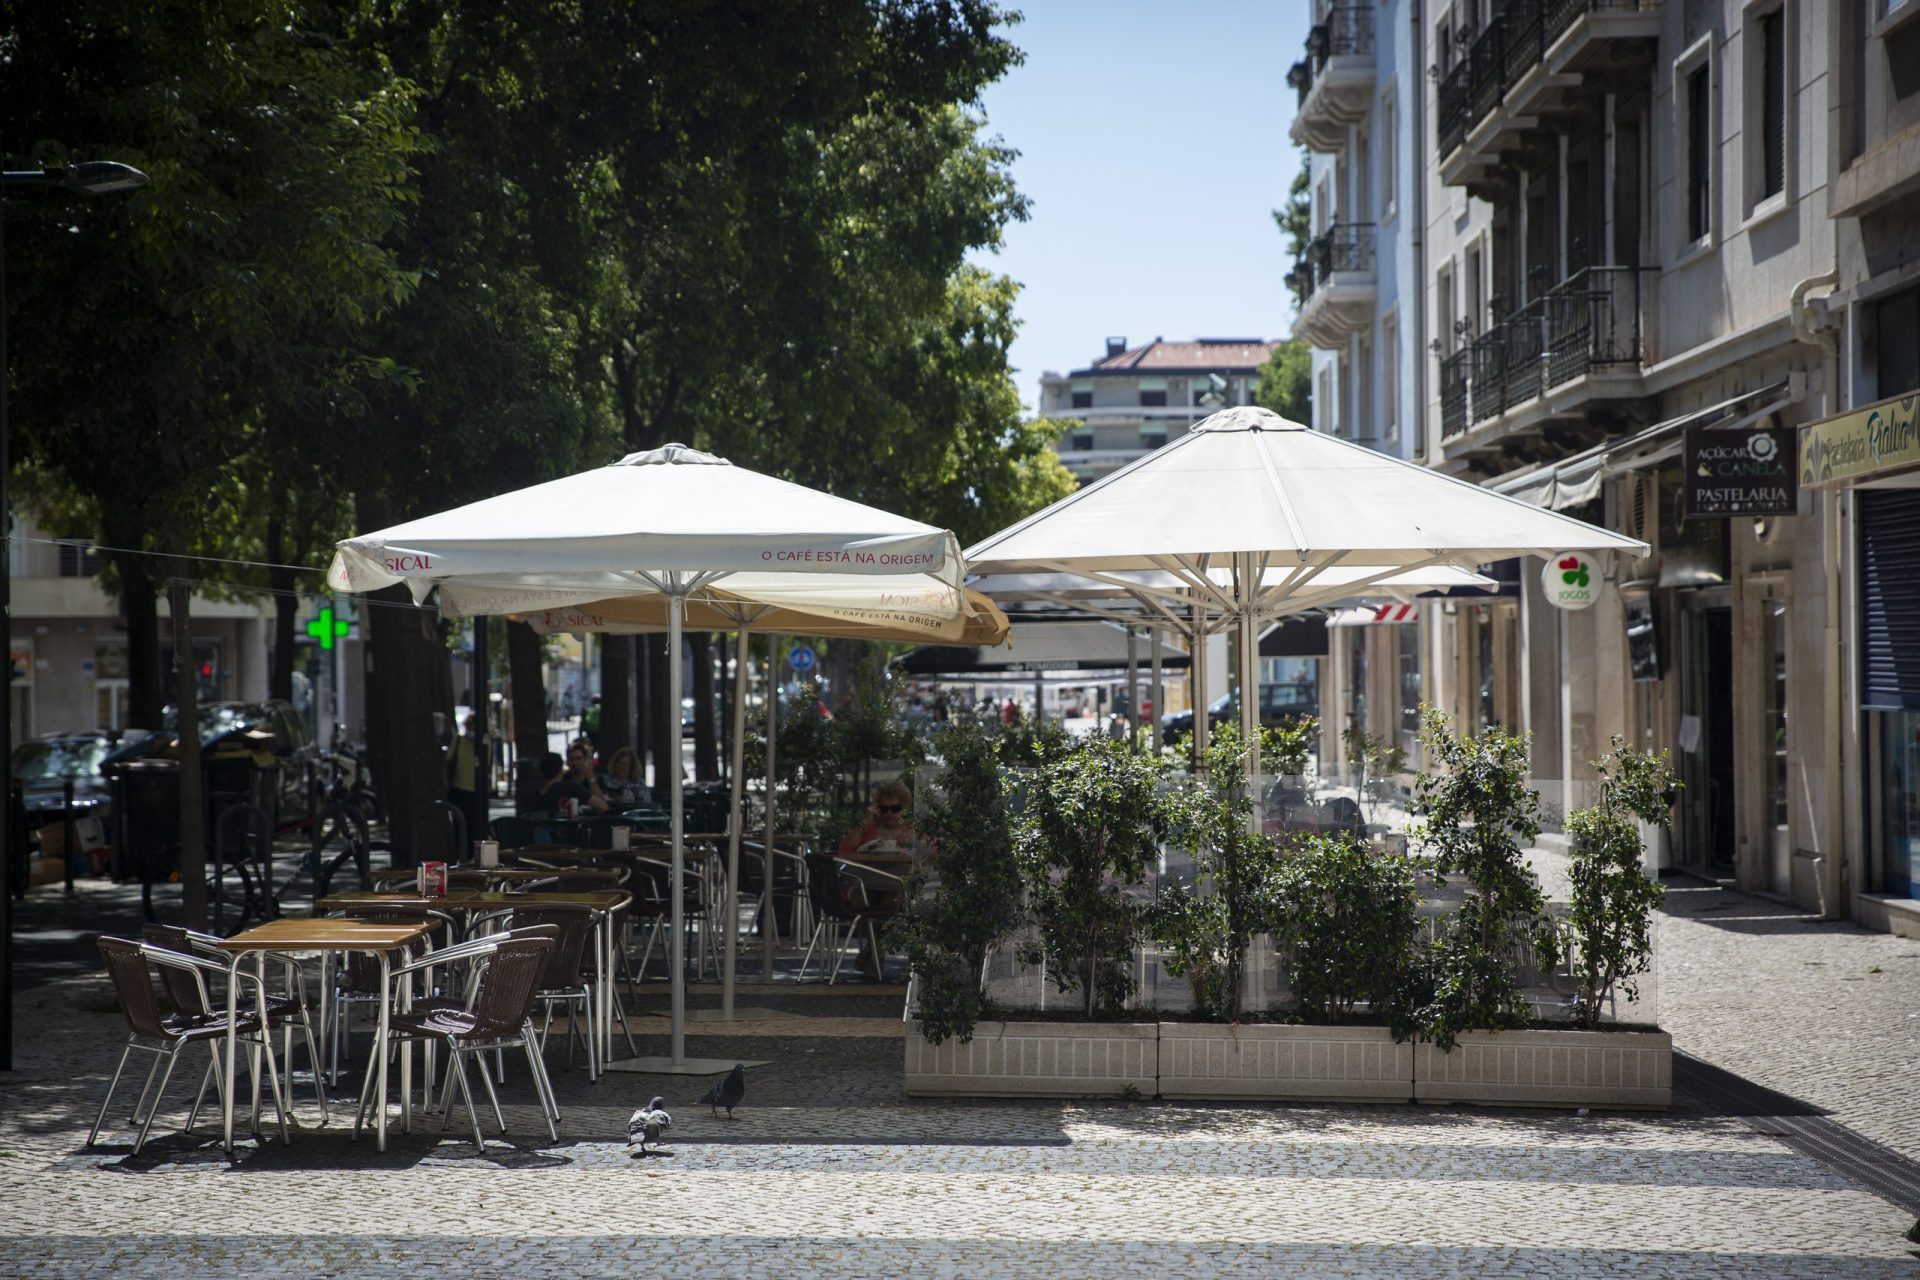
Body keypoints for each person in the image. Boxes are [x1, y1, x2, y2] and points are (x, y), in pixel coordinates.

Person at [538, 743, 608, 815]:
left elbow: (603, 807)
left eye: (578, 758)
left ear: (585, 760)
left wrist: (590, 777)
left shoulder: (596, 779)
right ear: (567, 762)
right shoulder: (563, 780)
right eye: (572, 759)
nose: (575, 763)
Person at [446, 712, 483, 843]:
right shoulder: (485, 740)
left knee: (460, 824)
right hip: (477, 788)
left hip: (459, 786)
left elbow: (449, 758)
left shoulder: (459, 739)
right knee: (475, 825)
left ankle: (461, 850)